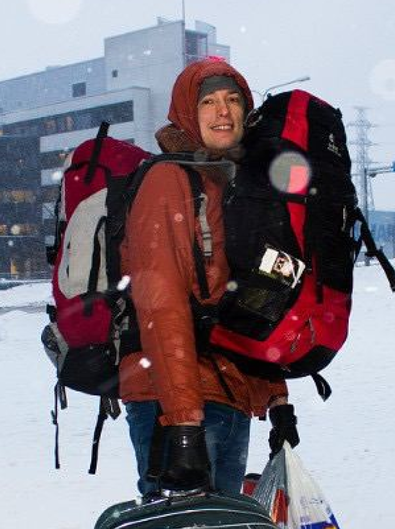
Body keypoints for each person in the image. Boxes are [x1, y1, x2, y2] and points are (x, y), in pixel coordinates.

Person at [119, 59, 295, 496]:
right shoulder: (167, 180)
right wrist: (183, 424)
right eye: (209, 102)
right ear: (187, 111)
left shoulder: (231, 186)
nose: (223, 111)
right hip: (172, 400)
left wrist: (277, 397)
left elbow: (244, 305)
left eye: (233, 100)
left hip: (227, 391)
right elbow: (162, 307)